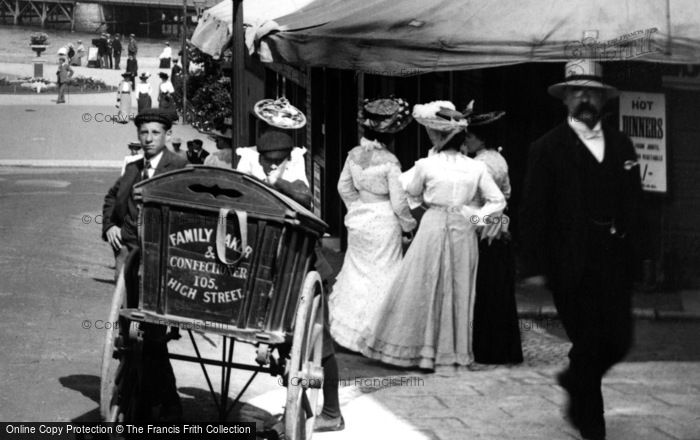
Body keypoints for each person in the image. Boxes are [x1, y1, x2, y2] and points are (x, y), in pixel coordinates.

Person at [519, 59, 641, 440]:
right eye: (577, 91)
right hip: (568, 262)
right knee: (588, 340)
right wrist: (535, 264)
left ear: (603, 98)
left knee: (619, 339)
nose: (585, 98)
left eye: (592, 91)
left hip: (613, 258)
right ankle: (593, 426)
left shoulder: (622, 144)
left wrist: (639, 251)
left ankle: (574, 378)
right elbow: (532, 209)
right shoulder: (547, 148)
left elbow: (634, 201)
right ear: (565, 99)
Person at [359, 100, 506, 370]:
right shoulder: (476, 167)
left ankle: (422, 349)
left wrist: (422, 205)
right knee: (458, 287)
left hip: (434, 223)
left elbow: (408, 190)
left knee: (422, 283)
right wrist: (474, 217)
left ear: (438, 137)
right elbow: (497, 201)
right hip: (462, 228)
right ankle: (452, 352)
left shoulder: (427, 165)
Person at [236, 125, 344, 432]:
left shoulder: (295, 181)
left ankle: (333, 413)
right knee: (288, 347)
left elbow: (303, 197)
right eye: (267, 160)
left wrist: (274, 182)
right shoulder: (258, 180)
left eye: (278, 160)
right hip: (280, 275)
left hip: (310, 274)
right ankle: (298, 408)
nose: (272, 165)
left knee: (320, 347)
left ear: (287, 159)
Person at [102, 108, 189, 421]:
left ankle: (162, 401)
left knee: (150, 334)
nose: (149, 139)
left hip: (160, 260)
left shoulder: (178, 166)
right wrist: (110, 225)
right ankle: (147, 397)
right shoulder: (132, 167)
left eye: (155, 133)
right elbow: (113, 197)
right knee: (131, 332)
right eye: (144, 133)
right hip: (129, 258)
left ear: (166, 136)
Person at [329, 97, 416, 353]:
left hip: (360, 218)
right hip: (384, 219)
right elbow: (399, 202)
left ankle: (349, 332)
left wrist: (356, 207)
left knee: (357, 272)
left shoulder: (354, 155)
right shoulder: (390, 162)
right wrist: (409, 225)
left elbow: (343, 186)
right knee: (383, 273)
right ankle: (377, 331)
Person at [461, 109, 523, 366]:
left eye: (471, 137)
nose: (467, 141)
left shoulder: (479, 164)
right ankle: (504, 347)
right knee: (500, 290)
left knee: (485, 289)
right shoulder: (500, 159)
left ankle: (486, 347)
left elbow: (476, 199)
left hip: (484, 227)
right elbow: (506, 194)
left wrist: (471, 219)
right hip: (500, 227)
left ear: (480, 139)